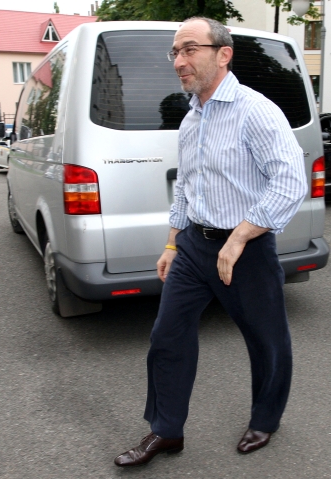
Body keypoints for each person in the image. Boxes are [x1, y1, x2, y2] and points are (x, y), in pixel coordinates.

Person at [114, 17, 308, 468]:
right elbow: (187, 185)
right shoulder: (191, 118)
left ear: (223, 54)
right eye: (175, 53)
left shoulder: (255, 111)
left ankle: (265, 418)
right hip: (194, 247)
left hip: (246, 250)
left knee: (267, 340)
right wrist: (171, 243)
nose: (178, 61)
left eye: (189, 49)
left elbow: (289, 183)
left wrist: (241, 235)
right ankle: (166, 430)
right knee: (167, 335)